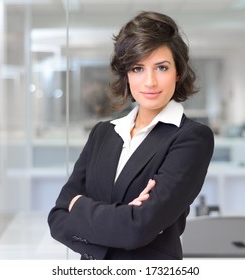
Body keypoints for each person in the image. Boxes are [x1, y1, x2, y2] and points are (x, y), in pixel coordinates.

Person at [48, 11, 214, 260]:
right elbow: (58, 217)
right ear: (126, 74)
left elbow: (136, 229)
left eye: (161, 67)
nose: (150, 81)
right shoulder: (103, 133)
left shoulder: (191, 139)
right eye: (138, 68)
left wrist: (80, 207)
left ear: (178, 72)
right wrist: (124, 217)